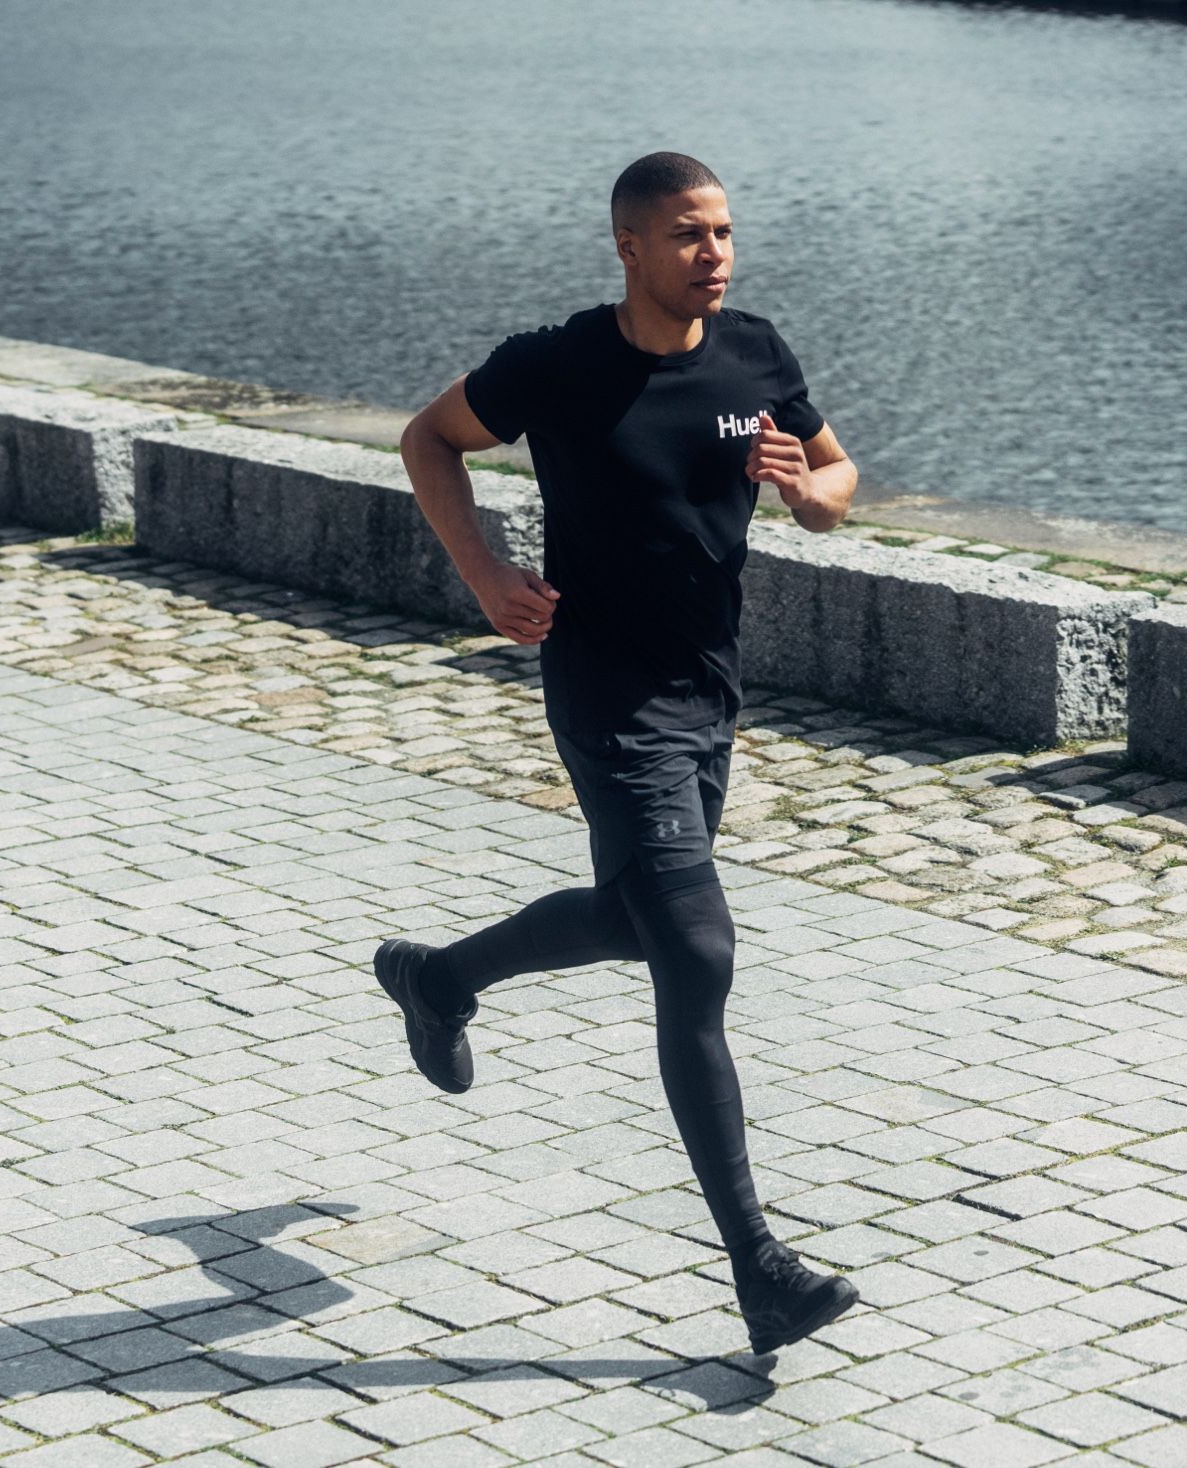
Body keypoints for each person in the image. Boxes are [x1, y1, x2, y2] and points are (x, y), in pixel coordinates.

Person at [381, 151, 860, 1356]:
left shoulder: (753, 352)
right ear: (630, 247)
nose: (716, 253)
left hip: (709, 695)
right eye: (690, 235)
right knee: (695, 953)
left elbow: (840, 477)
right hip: (605, 695)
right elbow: (427, 440)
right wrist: (486, 574)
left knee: (636, 916)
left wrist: (809, 494)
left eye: (726, 232)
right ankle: (760, 1268)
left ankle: (438, 979)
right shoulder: (557, 364)